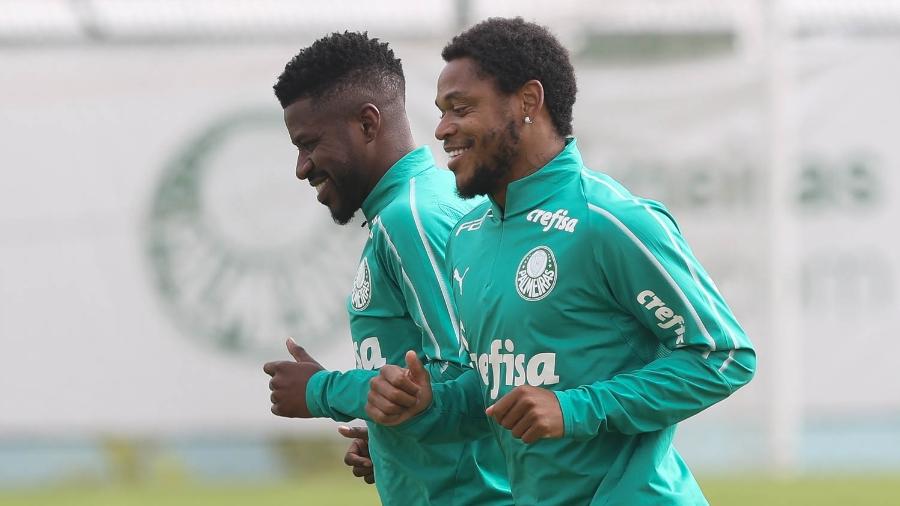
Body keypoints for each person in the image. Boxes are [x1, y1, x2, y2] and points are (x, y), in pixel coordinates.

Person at [365, 17, 757, 505]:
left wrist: (575, 409)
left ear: (529, 102)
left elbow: (723, 356)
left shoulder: (608, 219)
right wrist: (428, 405)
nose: (443, 129)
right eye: (441, 112)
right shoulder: (465, 238)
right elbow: (498, 392)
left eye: (461, 109)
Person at [262, 31, 512, 505]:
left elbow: (470, 375)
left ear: (368, 123)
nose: (301, 167)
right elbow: (437, 389)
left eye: (309, 143)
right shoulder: (415, 207)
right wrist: (393, 443)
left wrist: (322, 390)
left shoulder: (410, 219)